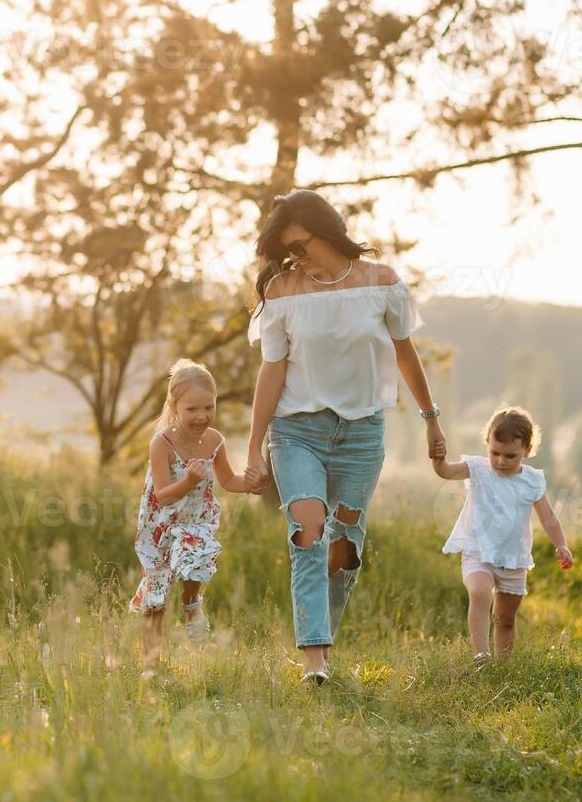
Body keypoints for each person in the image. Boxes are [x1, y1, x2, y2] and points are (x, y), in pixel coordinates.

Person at [244, 189, 446, 686]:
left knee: (344, 548)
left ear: (328, 231)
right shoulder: (284, 292)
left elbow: (405, 353)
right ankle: (315, 661)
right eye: (287, 248)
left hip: (361, 432)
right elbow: (272, 373)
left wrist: (430, 417)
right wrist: (253, 448)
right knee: (308, 533)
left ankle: (323, 634)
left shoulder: (382, 284)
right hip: (296, 431)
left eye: (302, 243)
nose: (295, 255)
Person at [130, 358, 259, 678]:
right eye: (192, 409)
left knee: (197, 555)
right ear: (174, 406)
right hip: (160, 522)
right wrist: (189, 480)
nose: (201, 416)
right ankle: (150, 667)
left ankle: (191, 603)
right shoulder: (161, 443)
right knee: (156, 594)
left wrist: (251, 483)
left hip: (194, 519)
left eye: (208, 407)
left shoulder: (214, 440)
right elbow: (163, 494)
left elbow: (229, 480)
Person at [434, 405, 575, 665]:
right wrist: (438, 457)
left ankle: (503, 665)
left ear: (527, 450)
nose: (500, 461)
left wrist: (562, 545)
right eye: (494, 453)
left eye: (510, 456)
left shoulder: (532, 480)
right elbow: (444, 472)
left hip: (513, 558)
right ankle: (481, 655)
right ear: (486, 443)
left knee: (505, 619)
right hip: (479, 550)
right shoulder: (477, 468)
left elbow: (548, 518)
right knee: (479, 592)